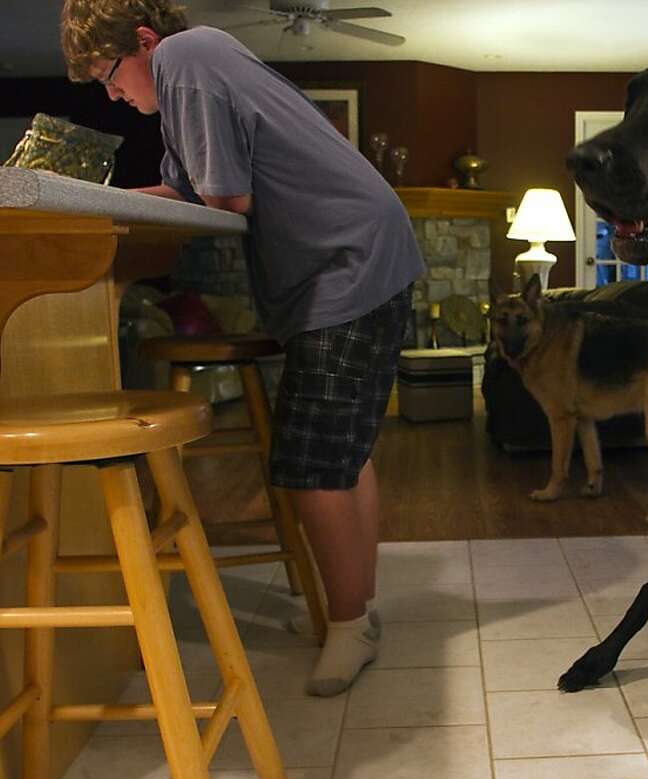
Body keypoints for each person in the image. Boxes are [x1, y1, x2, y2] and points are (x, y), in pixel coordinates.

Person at [60, 1, 425, 696]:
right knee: (342, 453)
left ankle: (349, 623)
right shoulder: (183, 85)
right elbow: (184, 187)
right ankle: (355, 612)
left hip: (348, 262)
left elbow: (225, 201)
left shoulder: (185, 57)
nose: (112, 94)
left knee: (315, 463)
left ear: (142, 43)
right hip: (357, 258)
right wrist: (88, 196)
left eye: (109, 77)